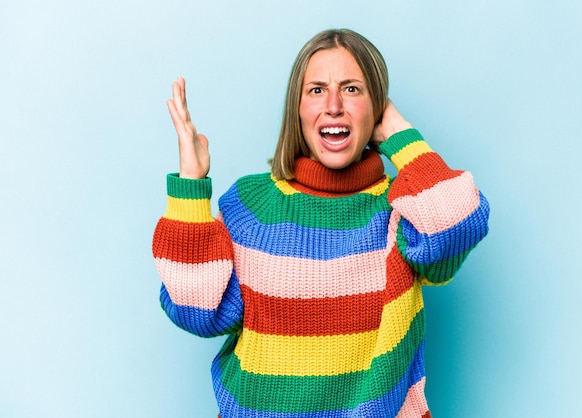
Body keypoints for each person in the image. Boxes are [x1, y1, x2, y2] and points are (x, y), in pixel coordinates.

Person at [153, 28, 490, 418]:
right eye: (316, 90)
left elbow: (458, 222)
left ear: (377, 107)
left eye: (352, 89)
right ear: (297, 109)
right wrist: (191, 185)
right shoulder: (253, 205)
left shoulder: (403, 208)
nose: (333, 105)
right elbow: (197, 310)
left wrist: (398, 132)